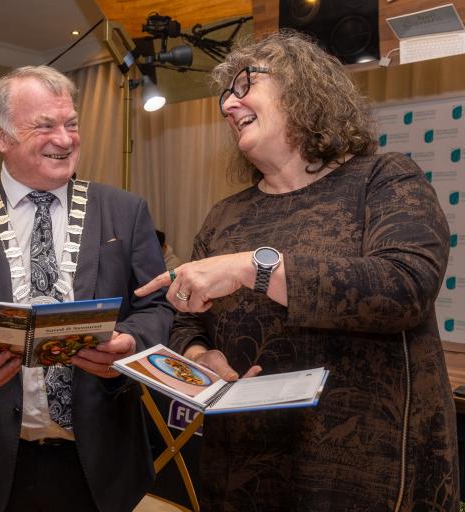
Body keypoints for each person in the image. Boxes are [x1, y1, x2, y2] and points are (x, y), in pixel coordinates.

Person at [136, 31, 458, 511]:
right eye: (225, 96)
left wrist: (251, 267)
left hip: (368, 470)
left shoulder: (383, 179)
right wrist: (200, 356)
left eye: (243, 85)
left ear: (303, 88)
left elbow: (404, 287)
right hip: (244, 471)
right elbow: (188, 320)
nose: (228, 105)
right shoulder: (225, 216)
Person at [0, 65, 173, 512]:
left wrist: (130, 344)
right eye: (45, 126)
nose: (65, 139)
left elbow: (158, 309)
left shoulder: (124, 212)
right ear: (2, 137)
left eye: (71, 124)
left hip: (104, 466)